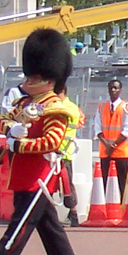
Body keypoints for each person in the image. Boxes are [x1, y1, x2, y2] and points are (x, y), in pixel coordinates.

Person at [0, 29, 82, 255]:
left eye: (35, 76)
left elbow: (51, 142)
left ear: (49, 77)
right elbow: (1, 120)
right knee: (49, 228)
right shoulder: (26, 102)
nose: (30, 79)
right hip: (24, 174)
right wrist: (11, 130)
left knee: (20, 225)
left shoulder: (56, 107)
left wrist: (19, 143)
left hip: (40, 177)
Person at [92, 78, 128, 201]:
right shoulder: (101, 107)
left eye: (116, 88)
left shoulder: (127, 107)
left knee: (121, 183)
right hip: (106, 153)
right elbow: (98, 129)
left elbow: (127, 130)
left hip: (121, 153)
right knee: (105, 182)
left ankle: (120, 208)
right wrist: (107, 146)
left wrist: (113, 146)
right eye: (111, 87)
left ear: (120, 90)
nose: (113, 90)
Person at [53, 89, 84, 227]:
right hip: (57, 150)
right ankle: (71, 214)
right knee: (60, 184)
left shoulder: (67, 108)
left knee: (66, 184)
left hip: (63, 151)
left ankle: (73, 214)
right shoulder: (68, 106)